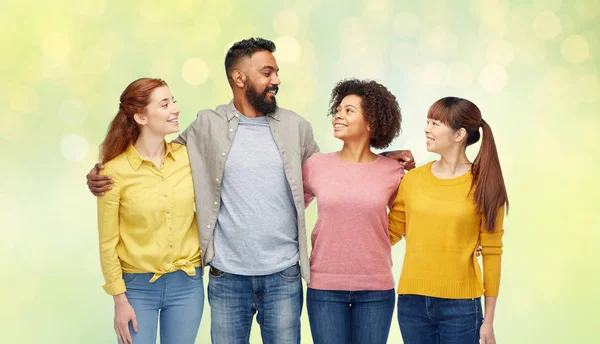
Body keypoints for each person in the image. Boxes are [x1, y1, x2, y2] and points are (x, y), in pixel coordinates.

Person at [87, 37, 415, 344]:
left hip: (284, 277)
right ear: (240, 77)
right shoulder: (207, 125)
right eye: (267, 72)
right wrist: (102, 172)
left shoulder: (296, 127)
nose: (276, 80)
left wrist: (380, 158)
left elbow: (332, 171)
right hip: (226, 277)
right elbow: (157, 155)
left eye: (276, 72)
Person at [389, 96, 508, 344]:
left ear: (459, 134)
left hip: (462, 308)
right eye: (427, 122)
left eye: (435, 123)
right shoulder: (412, 180)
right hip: (412, 303)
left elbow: (492, 251)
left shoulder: (485, 184)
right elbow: (389, 234)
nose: (426, 129)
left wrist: (489, 320)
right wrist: (379, 161)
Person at [97, 78, 203, 344]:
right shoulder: (113, 172)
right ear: (141, 117)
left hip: (187, 284)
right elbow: (108, 242)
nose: (175, 110)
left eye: (174, 102)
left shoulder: (189, 158)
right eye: (165, 104)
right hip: (136, 289)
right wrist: (119, 300)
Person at [302, 79, 404, 344]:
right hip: (324, 287)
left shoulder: (392, 171)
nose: (338, 114)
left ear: (371, 122)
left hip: (376, 289)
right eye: (338, 109)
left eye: (349, 110)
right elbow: (288, 210)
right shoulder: (316, 165)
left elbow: (407, 218)